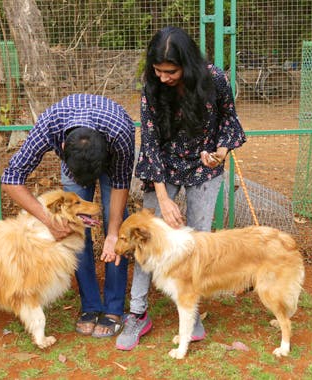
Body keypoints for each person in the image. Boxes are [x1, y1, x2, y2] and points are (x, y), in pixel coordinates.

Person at [115, 26, 246, 351]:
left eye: (169, 71)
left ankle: (192, 314)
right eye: (157, 70)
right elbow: (151, 141)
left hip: (204, 168)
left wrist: (220, 152)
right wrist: (162, 197)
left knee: (197, 241)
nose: (162, 77)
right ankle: (137, 312)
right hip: (164, 168)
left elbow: (230, 122)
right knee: (148, 239)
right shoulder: (151, 86)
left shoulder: (214, 79)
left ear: (187, 64)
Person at [1, 94, 135, 338]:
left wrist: (114, 232)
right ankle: (91, 306)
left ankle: (114, 308)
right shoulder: (49, 126)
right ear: (62, 148)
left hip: (112, 163)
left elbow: (121, 184)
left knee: (116, 232)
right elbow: (11, 179)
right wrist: (49, 221)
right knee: (70, 229)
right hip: (76, 158)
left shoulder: (119, 132)